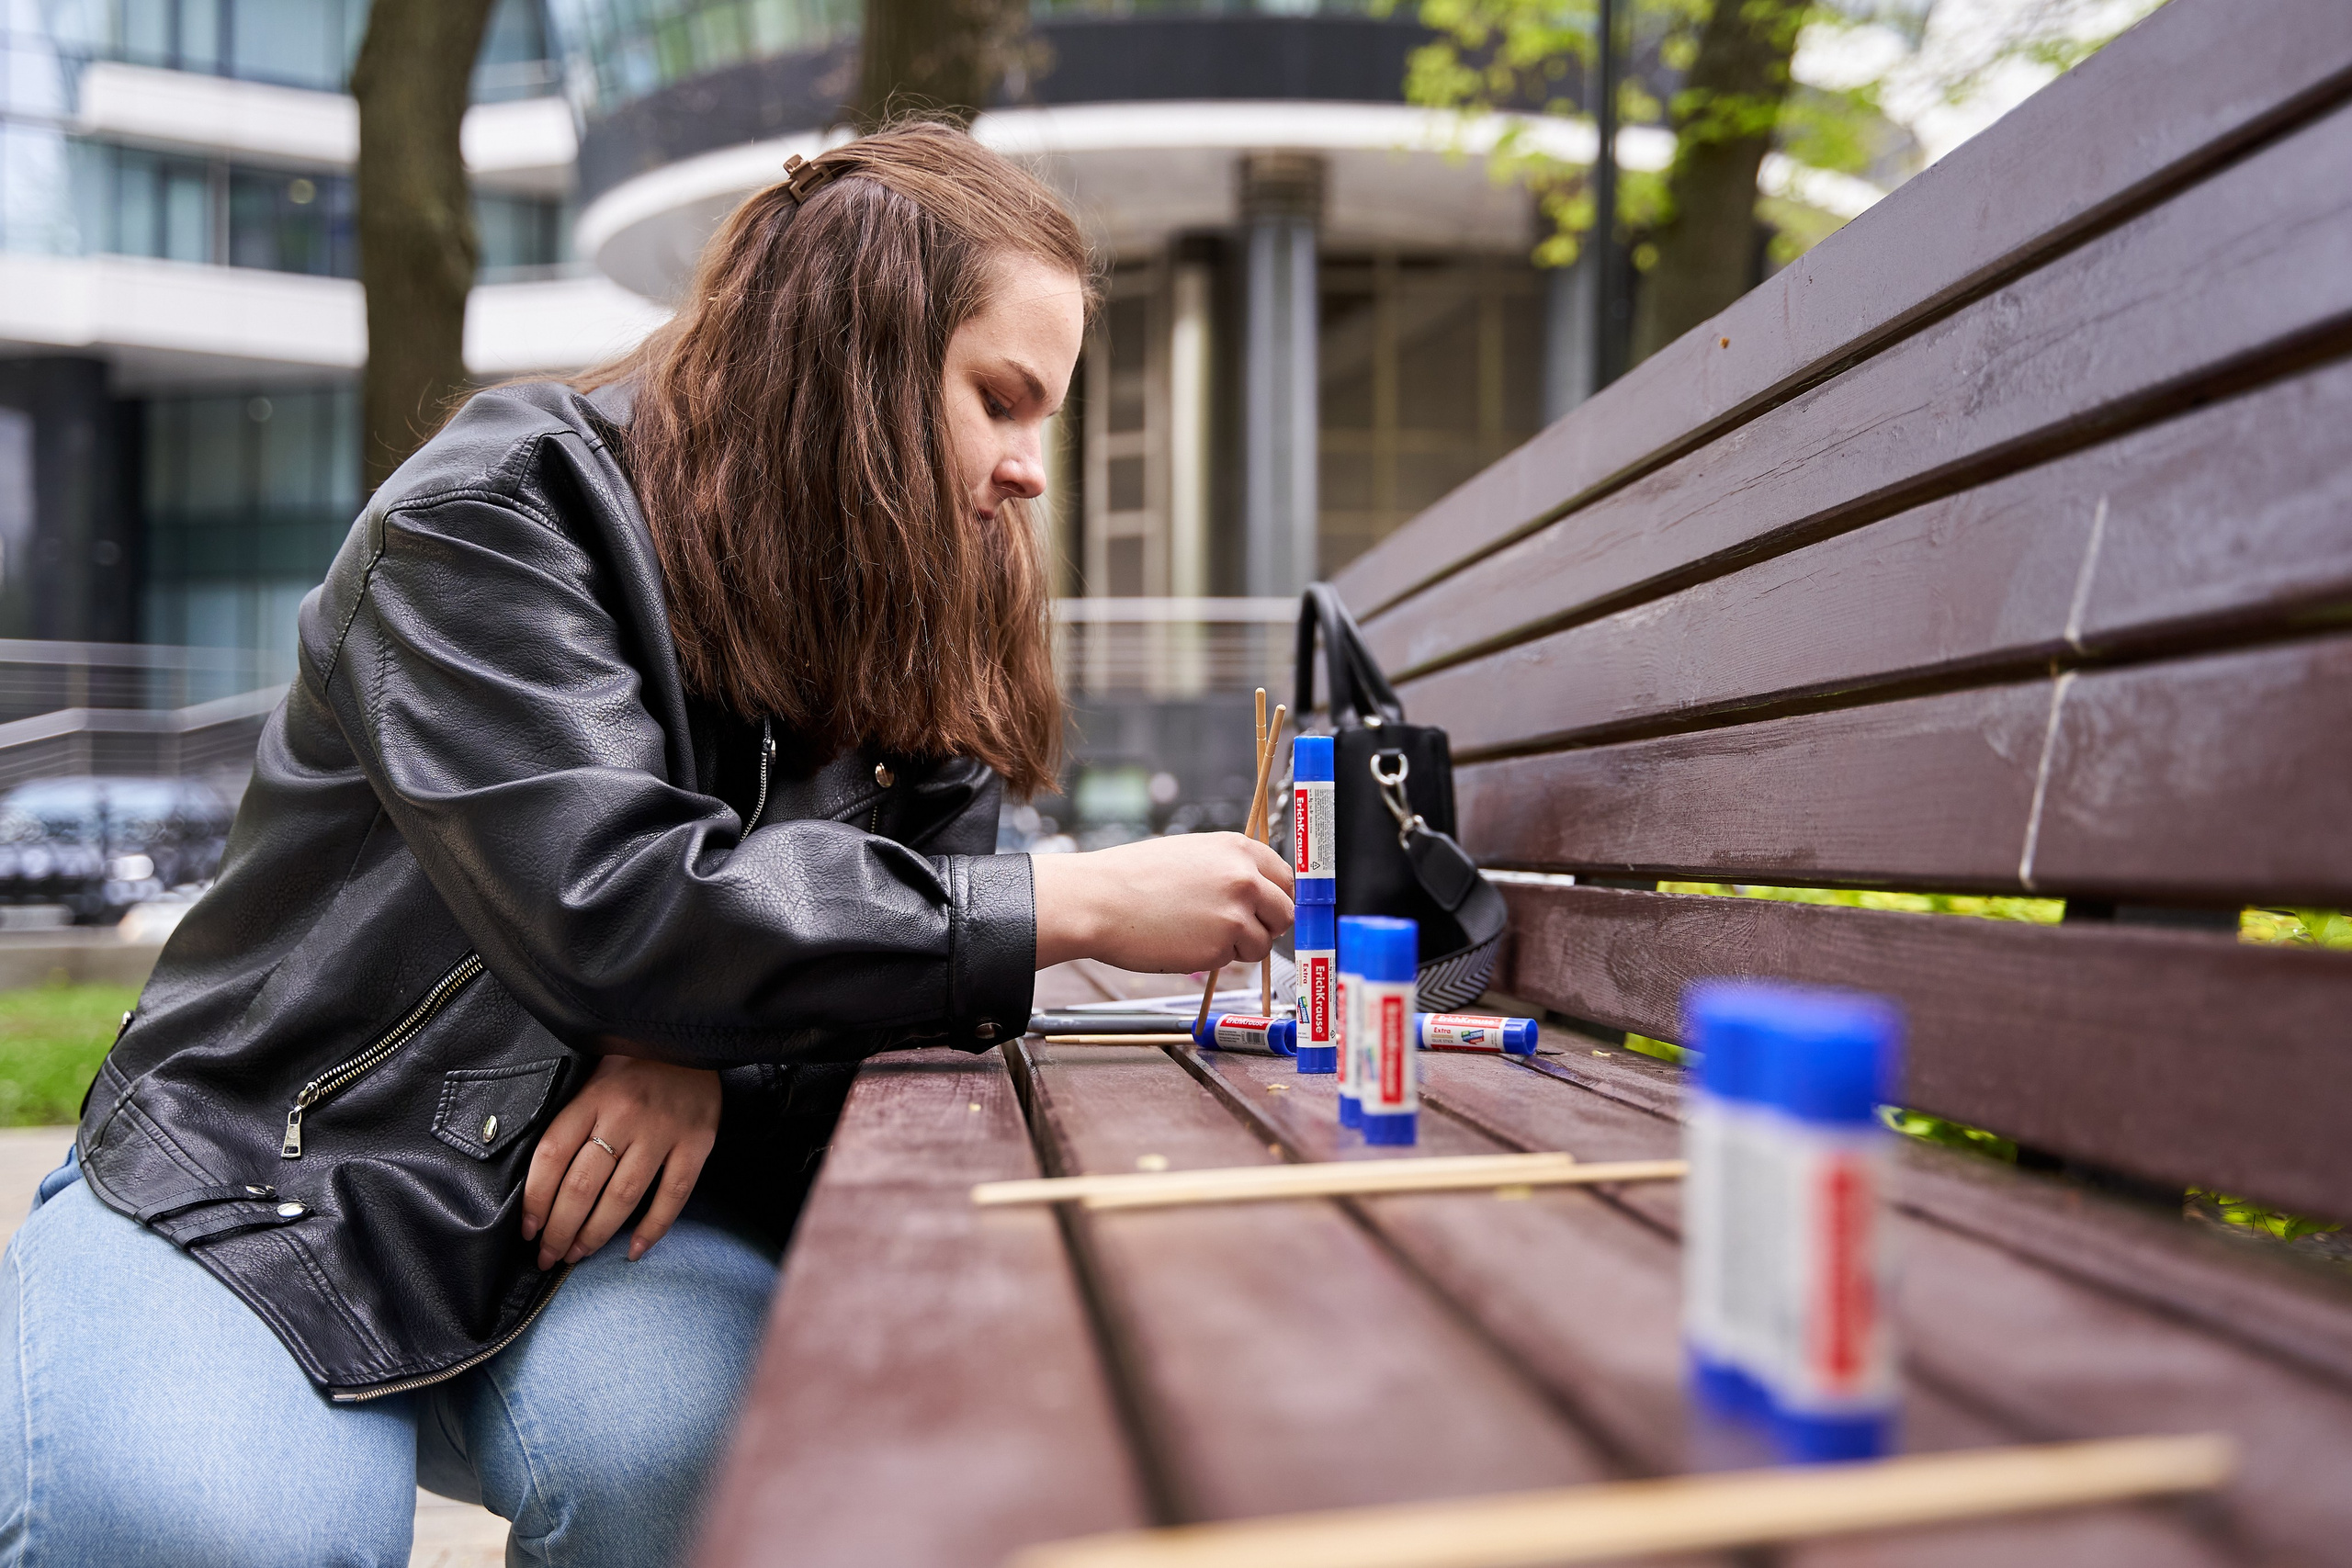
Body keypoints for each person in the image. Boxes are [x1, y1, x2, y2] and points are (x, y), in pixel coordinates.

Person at [0, 123, 1294, 1567]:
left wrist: (700, 1046)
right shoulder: (498, 514)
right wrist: (1077, 905)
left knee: (691, 1464)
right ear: (855, 361)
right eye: (1002, 400)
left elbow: (887, 1005)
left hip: (611, 1228)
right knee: (198, 1534)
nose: (1030, 471)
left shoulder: (928, 611)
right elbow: (613, 904)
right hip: (279, 1174)